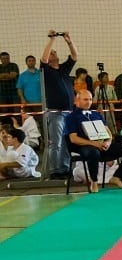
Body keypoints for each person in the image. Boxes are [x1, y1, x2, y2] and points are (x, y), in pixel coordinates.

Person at [65, 89, 122, 192]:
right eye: (85, 99)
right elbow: (73, 138)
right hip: (83, 146)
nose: (88, 102)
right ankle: (94, 182)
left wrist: (108, 142)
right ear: (77, 101)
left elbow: (108, 133)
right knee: (93, 152)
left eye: (90, 99)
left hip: (101, 144)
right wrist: (94, 144)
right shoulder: (71, 117)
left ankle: (117, 176)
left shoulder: (96, 114)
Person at [40, 31, 78, 177]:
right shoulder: (46, 71)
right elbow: (43, 58)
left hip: (69, 112)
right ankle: (55, 170)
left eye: (55, 52)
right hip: (56, 113)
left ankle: (65, 168)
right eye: (51, 53)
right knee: (56, 143)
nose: (53, 53)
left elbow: (75, 56)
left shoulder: (63, 69)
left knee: (67, 142)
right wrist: (52, 40)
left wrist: (69, 41)